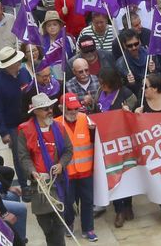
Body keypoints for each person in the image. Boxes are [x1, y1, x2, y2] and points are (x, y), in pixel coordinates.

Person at [13, 93, 70, 246]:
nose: (50, 111)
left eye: (50, 107)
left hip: (57, 184)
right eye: (45, 109)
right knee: (47, 226)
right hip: (39, 187)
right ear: (36, 111)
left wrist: (61, 164)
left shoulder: (59, 127)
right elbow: (23, 157)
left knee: (58, 226)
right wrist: (32, 172)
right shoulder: (25, 131)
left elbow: (68, 150)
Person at [57, 94, 98, 240]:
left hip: (85, 170)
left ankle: (88, 229)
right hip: (67, 172)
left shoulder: (86, 118)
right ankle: (68, 224)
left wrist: (93, 131)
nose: (73, 112)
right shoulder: (56, 124)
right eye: (69, 109)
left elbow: (97, 141)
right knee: (68, 202)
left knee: (87, 201)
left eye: (76, 108)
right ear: (61, 108)